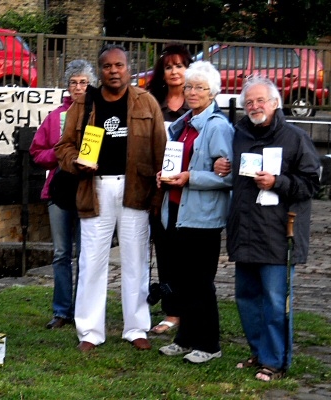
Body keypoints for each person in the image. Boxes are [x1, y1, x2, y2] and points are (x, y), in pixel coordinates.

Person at [55, 44, 167, 352]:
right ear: (100, 70)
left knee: (136, 261)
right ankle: (90, 332)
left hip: (136, 190)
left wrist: (158, 196)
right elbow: (62, 147)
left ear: (129, 69)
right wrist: (76, 160)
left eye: (119, 65)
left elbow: (161, 151)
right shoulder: (83, 104)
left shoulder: (147, 103)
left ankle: (136, 328)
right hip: (95, 189)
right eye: (107, 66)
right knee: (91, 261)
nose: (114, 71)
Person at [225, 76, 320, 381]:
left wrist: (277, 182)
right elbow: (233, 175)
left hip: (279, 232)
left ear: (275, 103)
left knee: (276, 301)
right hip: (246, 229)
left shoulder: (294, 138)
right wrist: (222, 166)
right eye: (249, 102)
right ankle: (258, 352)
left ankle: (275, 361)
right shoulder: (239, 134)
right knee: (246, 298)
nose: (254, 106)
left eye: (260, 100)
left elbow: (311, 183)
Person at [155, 61, 234, 363]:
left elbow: (227, 177)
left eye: (199, 87)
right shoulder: (184, 124)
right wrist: (165, 174)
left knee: (201, 282)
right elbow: (177, 163)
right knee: (183, 281)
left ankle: (209, 344)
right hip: (175, 210)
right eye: (189, 86)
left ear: (213, 92)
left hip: (202, 217)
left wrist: (191, 177)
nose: (192, 92)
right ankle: (186, 338)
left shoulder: (217, 127)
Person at [29, 59, 96, 329]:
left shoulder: (98, 113)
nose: (78, 88)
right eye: (73, 83)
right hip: (58, 191)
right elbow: (36, 151)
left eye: (83, 82)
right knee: (61, 254)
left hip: (89, 190)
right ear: (67, 87)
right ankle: (61, 310)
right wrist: (59, 155)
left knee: (86, 253)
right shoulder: (56, 116)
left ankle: (83, 308)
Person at [145, 43, 193, 334]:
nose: (175, 71)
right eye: (169, 66)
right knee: (164, 248)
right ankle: (172, 311)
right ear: (162, 73)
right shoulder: (151, 103)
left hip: (191, 189)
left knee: (189, 251)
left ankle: (191, 306)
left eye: (180, 65)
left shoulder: (198, 101)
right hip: (159, 188)